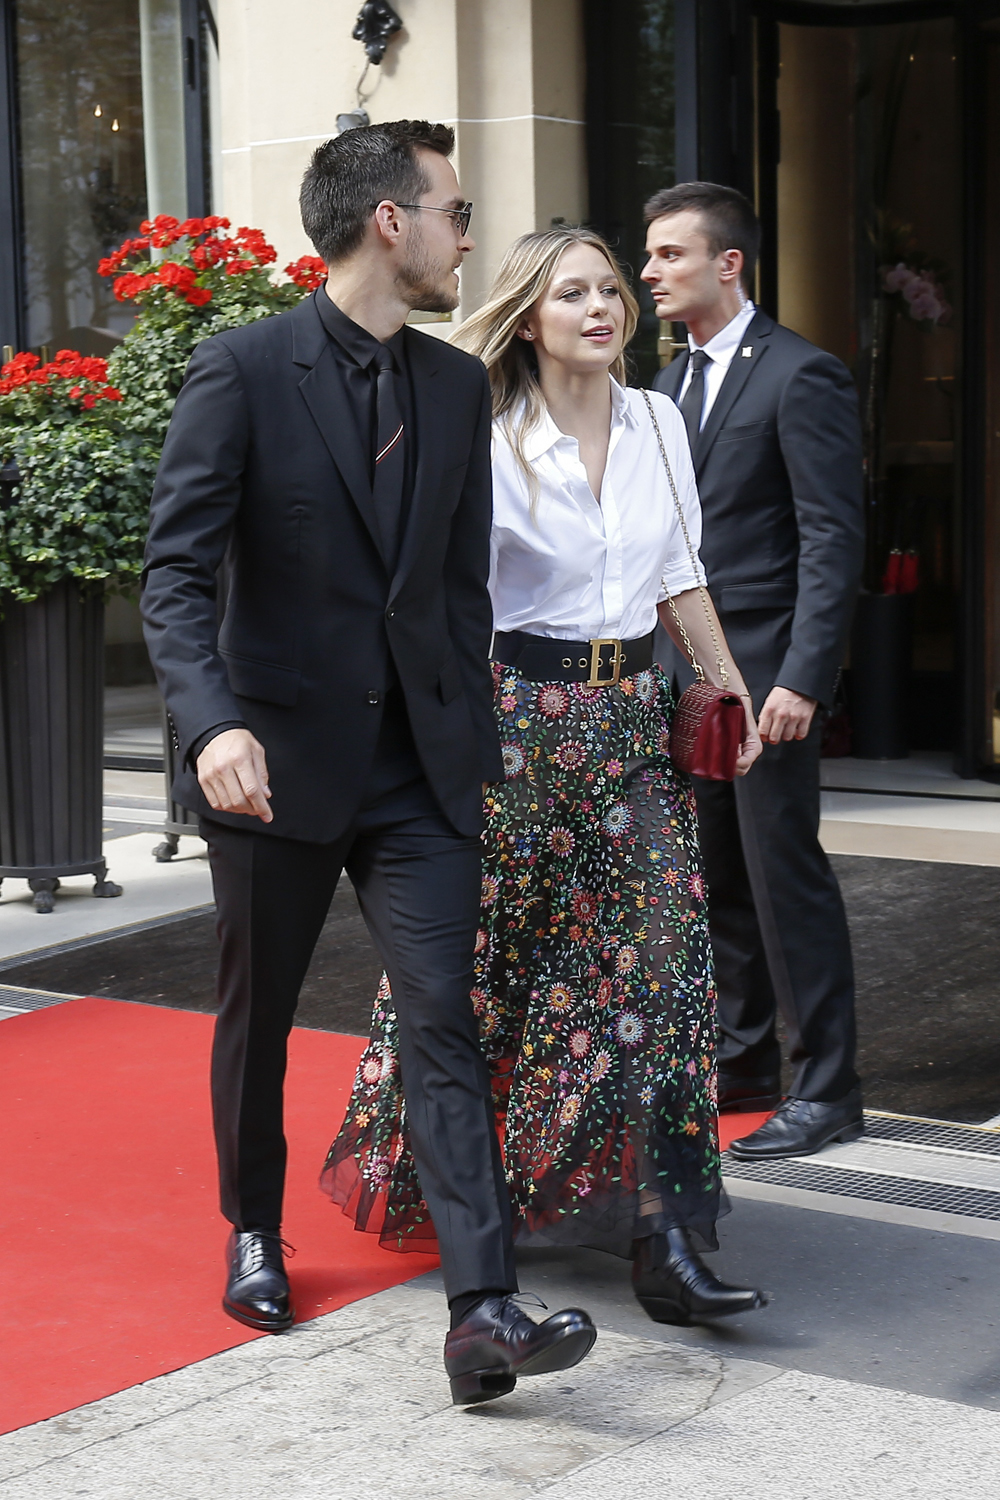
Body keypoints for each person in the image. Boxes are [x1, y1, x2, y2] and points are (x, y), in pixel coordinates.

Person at [141, 120, 596, 1407]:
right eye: (453, 211)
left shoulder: (456, 388)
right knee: (261, 1019)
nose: (468, 235)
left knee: (444, 1021)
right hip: (271, 766)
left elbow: (456, 589)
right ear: (389, 222)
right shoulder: (240, 370)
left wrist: (472, 738)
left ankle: (482, 1309)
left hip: (421, 774)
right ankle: (250, 1228)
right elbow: (174, 577)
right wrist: (212, 723)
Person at [324, 225, 769, 1328]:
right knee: (494, 975)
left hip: (633, 728)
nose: (599, 307)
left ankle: (667, 1239)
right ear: (528, 315)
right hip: (513, 727)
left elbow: (679, 573)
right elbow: (431, 594)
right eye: (570, 292)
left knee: (662, 979)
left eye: (609, 289)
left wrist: (726, 685)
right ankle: (469, 1197)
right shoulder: (480, 433)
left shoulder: (659, 419)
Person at [643, 182, 865, 1159]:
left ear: (727, 264)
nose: (647, 273)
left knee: (785, 877)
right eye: (647, 256)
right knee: (716, 876)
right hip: (684, 677)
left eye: (668, 256)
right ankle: (744, 1059)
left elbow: (830, 537)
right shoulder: (662, 386)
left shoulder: (798, 377)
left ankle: (828, 1086)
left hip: (770, 672)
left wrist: (804, 677)